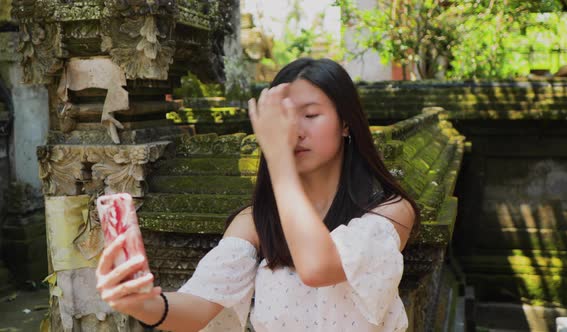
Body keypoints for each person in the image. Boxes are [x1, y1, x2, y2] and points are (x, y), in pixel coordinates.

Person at [96, 58, 419, 332]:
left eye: (310, 115)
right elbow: (198, 304)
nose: (295, 132)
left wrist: (278, 157)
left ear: (346, 123)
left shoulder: (388, 212)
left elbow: (318, 268)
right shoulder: (255, 221)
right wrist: (143, 303)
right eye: (285, 120)